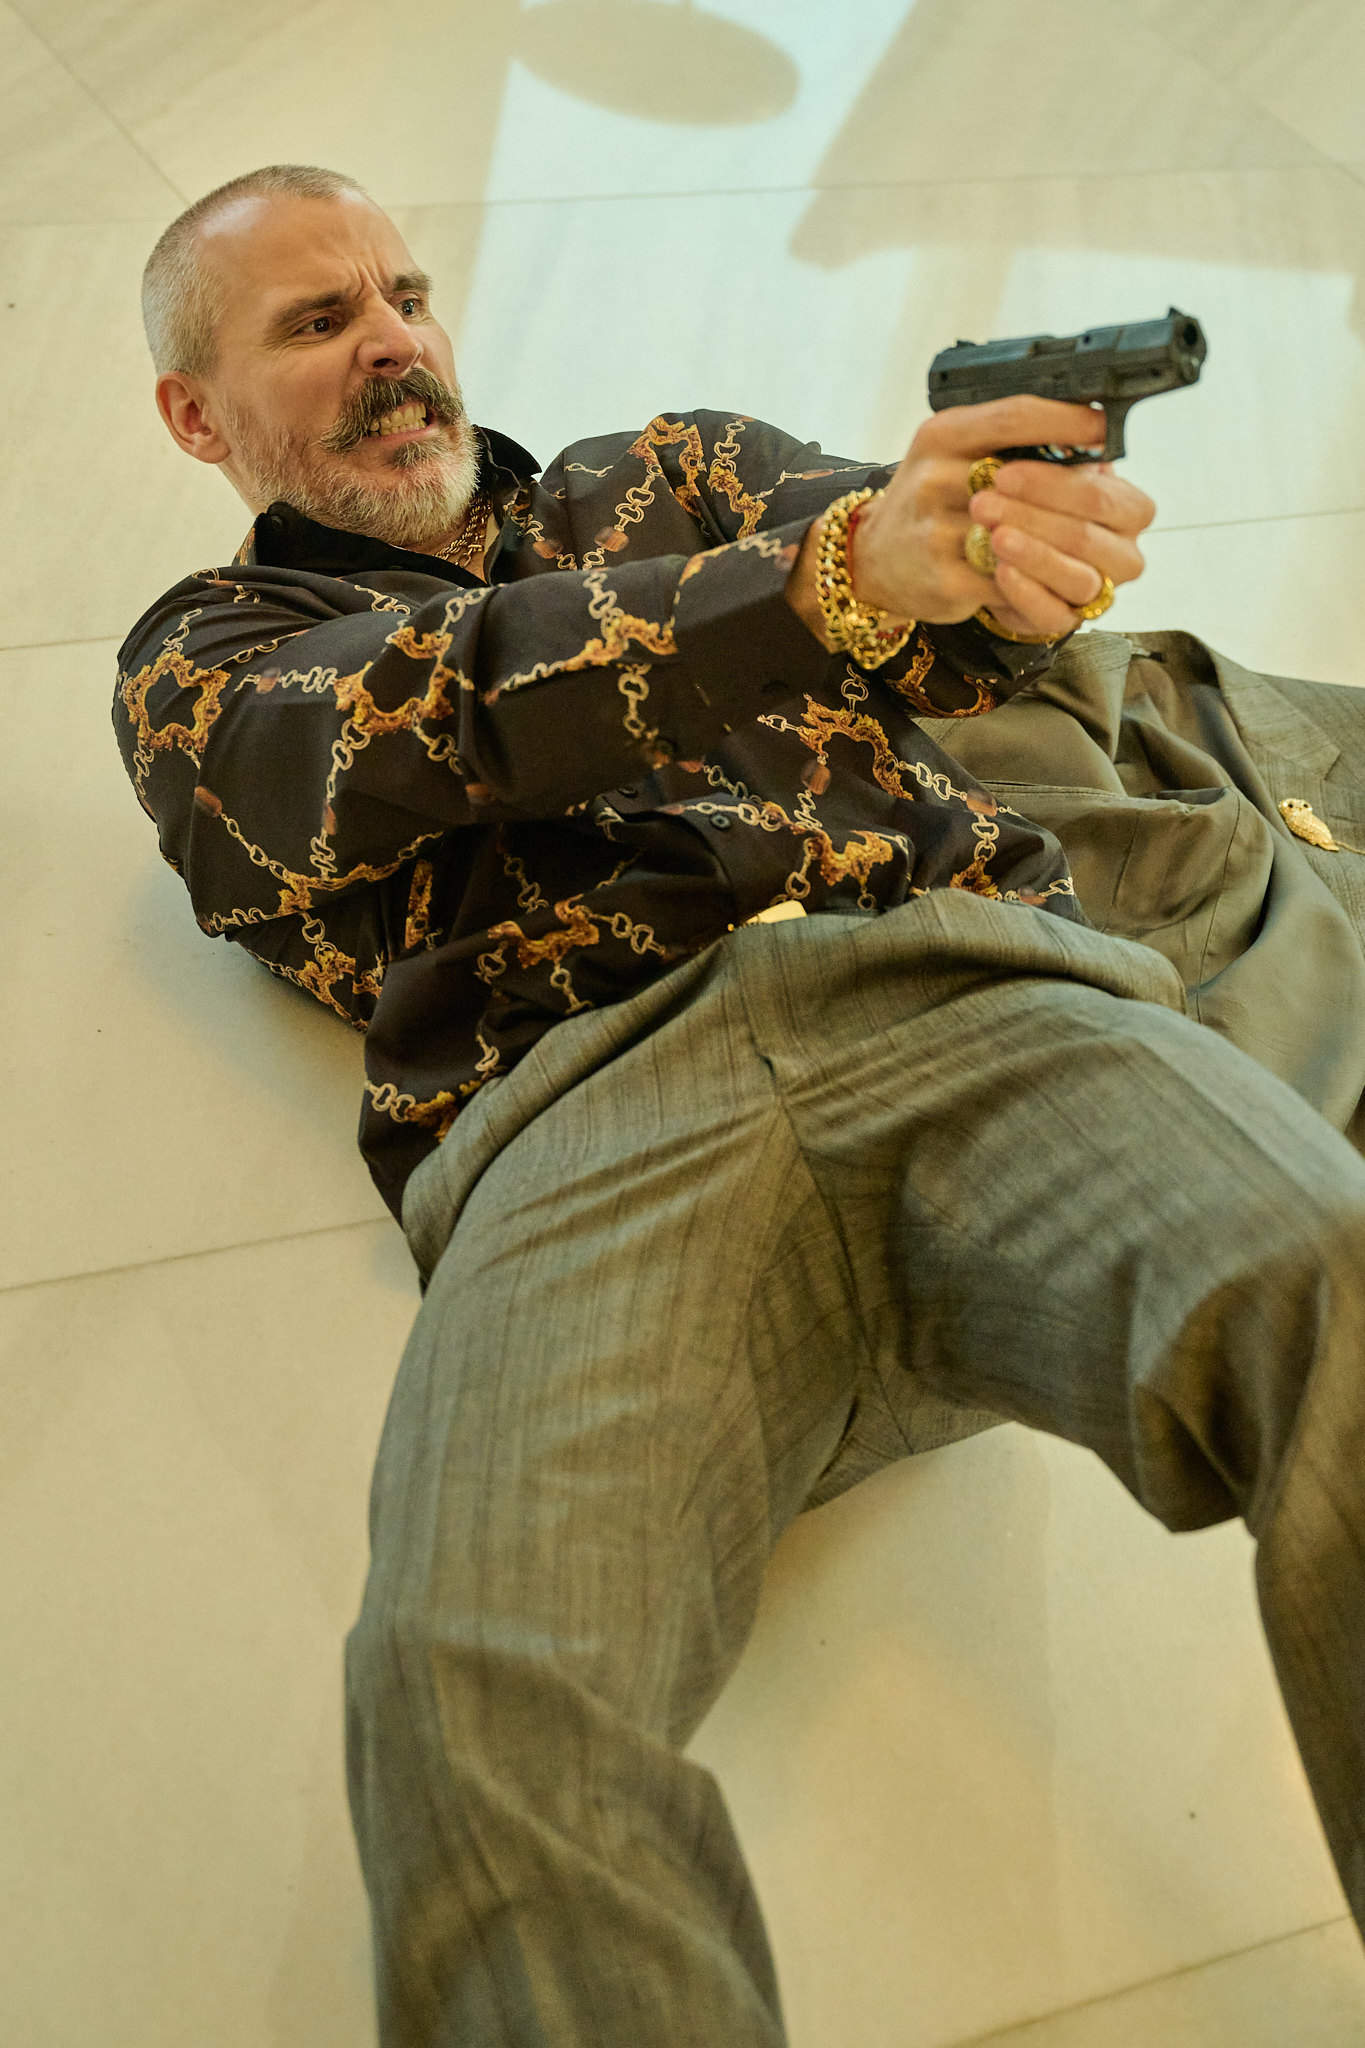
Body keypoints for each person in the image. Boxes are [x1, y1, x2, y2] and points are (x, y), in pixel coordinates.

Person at [115, 163, 1365, 2047]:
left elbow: (922, 613)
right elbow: (421, 716)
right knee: (472, 1687)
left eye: (406, 295)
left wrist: (993, 559)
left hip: (965, 987)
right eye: (318, 320)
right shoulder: (199, 660)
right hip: (583, 1134)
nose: (393, 343)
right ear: (194, 415)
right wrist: (821, 585)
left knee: (1344, 1284)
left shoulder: (670, 473)